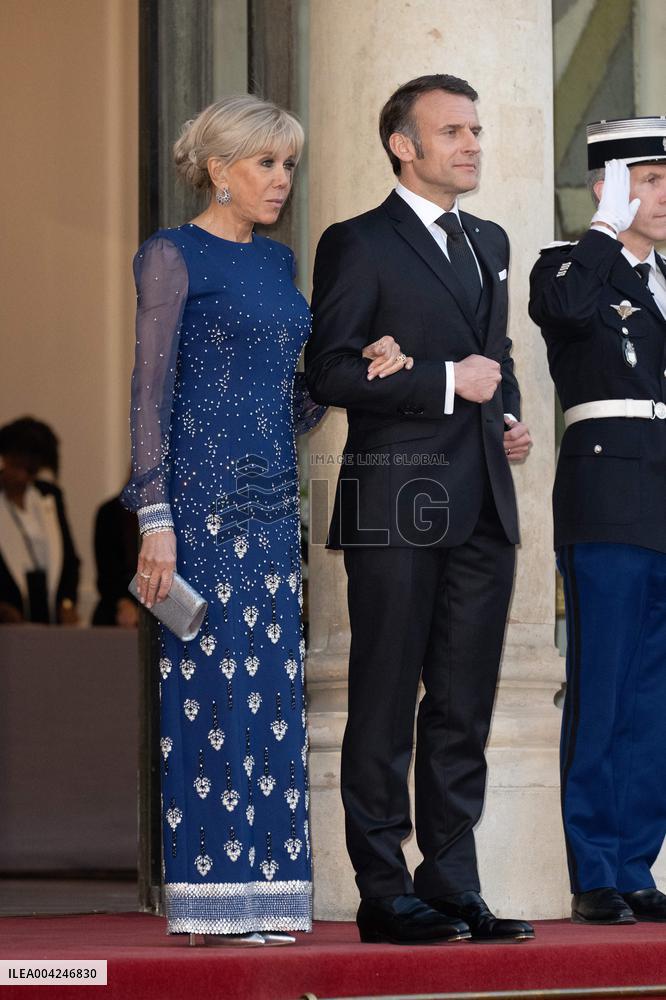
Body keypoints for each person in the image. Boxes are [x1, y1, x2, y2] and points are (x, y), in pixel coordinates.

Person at [120, 94, 411, 943]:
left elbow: (292, 409)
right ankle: (213, 899)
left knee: (270, 688)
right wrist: (154, 516)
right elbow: (149, 394)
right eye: (265, 164)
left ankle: (269, 895)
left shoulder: (280, 265)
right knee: (210, 690)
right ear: (218, 169)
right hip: (200, 510)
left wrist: (359, 362)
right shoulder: (171, 256)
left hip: (270, 501)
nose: (282, 179)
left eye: (288, 164)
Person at [306, 74, 533, 944]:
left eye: (475, 128)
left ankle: (450, 882)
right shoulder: (357, 241)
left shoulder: (492, 239)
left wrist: (504, 414)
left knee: (463, 706)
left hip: (481, 502)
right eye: (451, 131)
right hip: (393, 498)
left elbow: (494, 356)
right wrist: (445, 383)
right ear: (403, 145)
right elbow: (327, 372)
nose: (471, 143)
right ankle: (380, 888)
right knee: (384, 695)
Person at [529, 118, 666, 926]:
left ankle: (637, 863)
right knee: (605, 686)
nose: (664, 196)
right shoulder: (570, 266)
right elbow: (567, 311)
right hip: (607, 497)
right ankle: (595, 870)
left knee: (655, 698)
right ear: (607, 186)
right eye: (648, 179)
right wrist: (606, 230)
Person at [0, 417, 80, 625]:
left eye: (31, 471)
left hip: (49, 613)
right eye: (18, 466)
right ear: (5, 459)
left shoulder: (49, 496)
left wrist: (67, 603)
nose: (23, 477)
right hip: (9, 622)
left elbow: (69, 559)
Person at [92, 489, 139, 627]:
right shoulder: (110, 512)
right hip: (117, 608)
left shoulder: (176, 512)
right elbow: (106, 572)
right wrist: (122, 602)